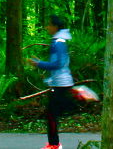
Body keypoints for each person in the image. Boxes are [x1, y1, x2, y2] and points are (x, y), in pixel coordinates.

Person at [29, 15, 76, 149]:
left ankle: (54, 145)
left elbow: (58, 63)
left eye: (48, 25)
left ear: (55, 27)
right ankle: (53, 144)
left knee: (51, 114)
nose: (46, 27)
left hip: (61, 83)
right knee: (52, 114)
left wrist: (39, 64)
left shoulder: (59, 42)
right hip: (59, 83)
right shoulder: (58, 40)